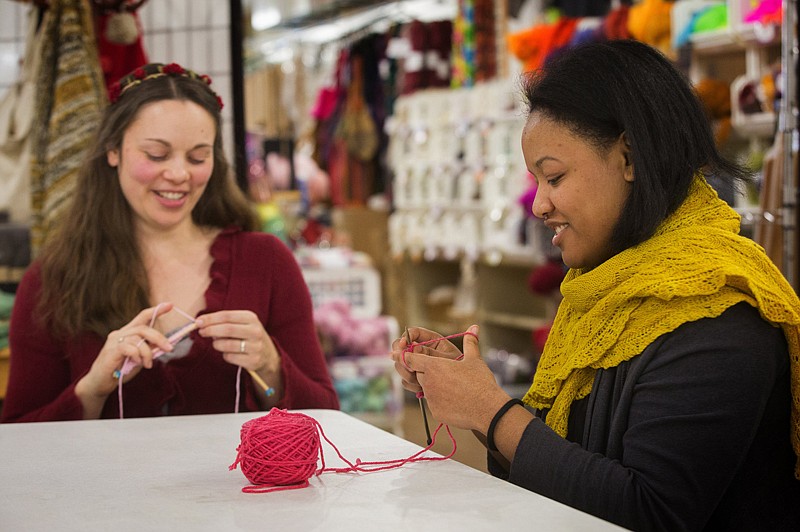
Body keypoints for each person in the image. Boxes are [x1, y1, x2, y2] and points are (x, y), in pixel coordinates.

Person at [392, 40, 800, 531]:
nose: (538, 205)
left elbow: (647, 512)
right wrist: (469, 396)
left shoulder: (718, 314)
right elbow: (569, 464)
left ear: (629, 157)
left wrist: (491, 411)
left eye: (554, 177)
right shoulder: (601, 294)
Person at [1, 62, 339, 422]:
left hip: (237, 481)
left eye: (198, 157)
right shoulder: (54, 280)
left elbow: (327, 416)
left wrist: (271, 365)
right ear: (113, 150)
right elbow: (16, 440)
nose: (178, 175)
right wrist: (93, 388)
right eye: (157, 155)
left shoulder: (266, 261)